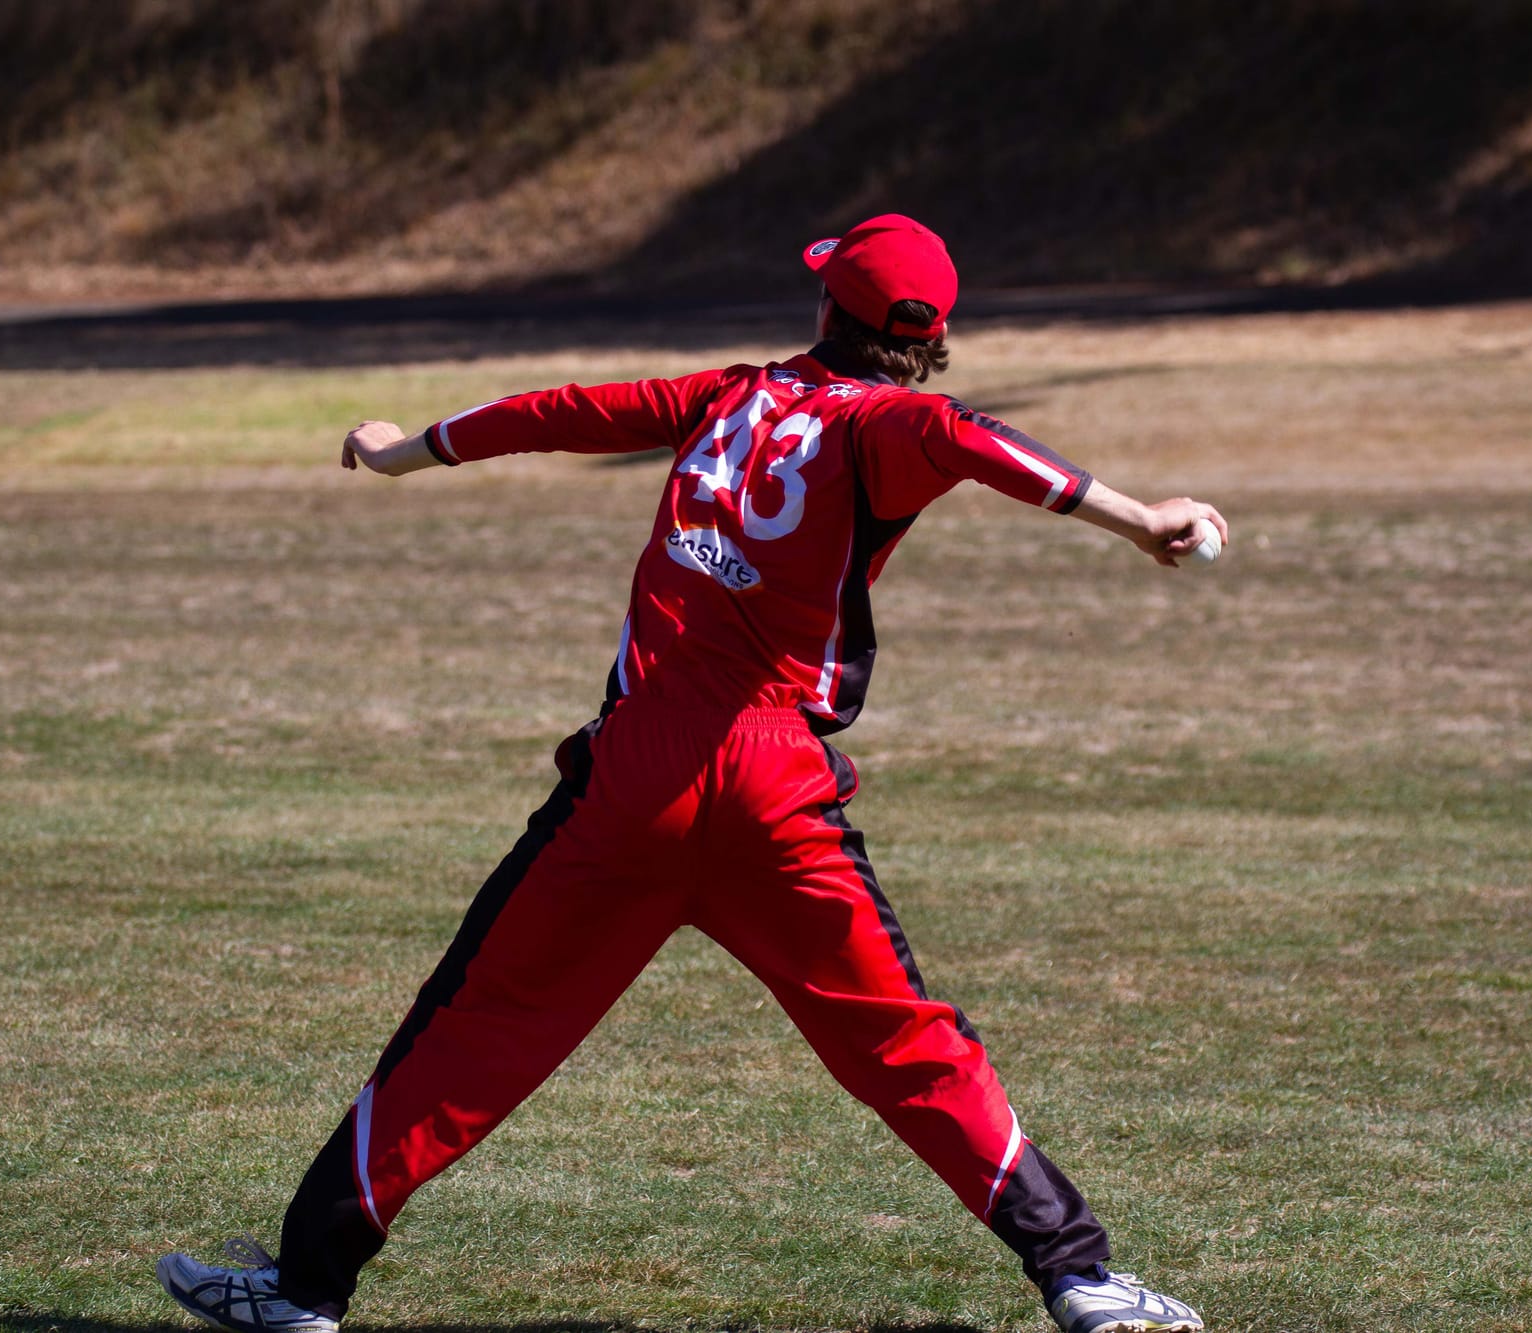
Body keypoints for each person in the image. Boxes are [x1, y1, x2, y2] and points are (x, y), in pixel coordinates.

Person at [157, 214, 1222, 1333]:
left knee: (472, 1026)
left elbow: (557, 412)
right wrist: (1139, 517)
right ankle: (1081, 1280)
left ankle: (301, 1289)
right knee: (905, 1043)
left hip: (632, 779)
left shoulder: (722, 394)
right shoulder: (886, 425)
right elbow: (970, 436)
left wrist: (403, 448)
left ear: (827, 308)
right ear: (933, 331)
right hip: (777, 791)